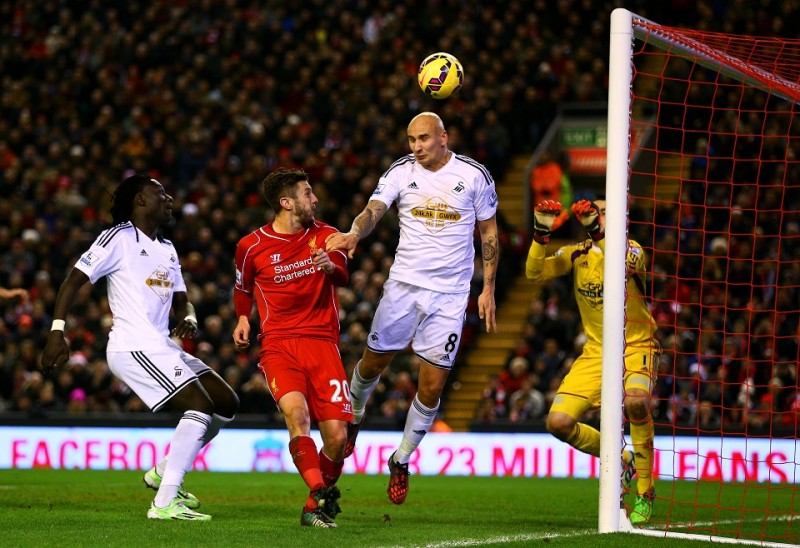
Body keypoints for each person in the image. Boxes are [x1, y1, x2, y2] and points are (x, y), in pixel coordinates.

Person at [41, 173, 239, 521]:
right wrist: (57, 331)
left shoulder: (167, 247)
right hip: (133, 345)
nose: (169, 199)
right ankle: (164, 502)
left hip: (161, 344)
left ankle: (164, 470)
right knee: (198, 405)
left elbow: (183, 302)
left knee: (226, 403)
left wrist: (189, 318)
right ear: (140, 200)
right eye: (160, 193)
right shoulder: (118, 238)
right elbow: (74, 280)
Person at [325, 111, 499, 505]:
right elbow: (373, 210)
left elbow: (489, 232)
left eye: (423, 139)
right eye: (410, 140)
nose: (416, 147)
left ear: (443, 137)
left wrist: (487, 288)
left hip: (451, 295)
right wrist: (355, 231)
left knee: (433, 385)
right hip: (404, 287)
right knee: (371, 364)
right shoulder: (401, 171)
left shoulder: (474, 175)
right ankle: (354, 417)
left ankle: (401, 460)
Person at [526, 197, 658, 525]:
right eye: (593, 210)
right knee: (557, 423)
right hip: (597, 353)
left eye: (601, 211)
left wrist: (598, 231)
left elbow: (620, 263)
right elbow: (534, 272)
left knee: (637, 403)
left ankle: (645, 490)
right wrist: (541, 230)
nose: (594, 214)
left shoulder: (633, 250)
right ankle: (623, 457)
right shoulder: (577, 253)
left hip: (635, 345)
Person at [232, 167, 351, 528]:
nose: (314, 199)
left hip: (323, 344)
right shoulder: (250, 246)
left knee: (337, 438)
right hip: (279, 345)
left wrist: (330, 266)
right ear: (287, 202)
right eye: (307, 193)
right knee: (297, 417)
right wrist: (242, 318)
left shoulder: (328, 235)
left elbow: (343, 275)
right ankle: (319, 493)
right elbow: (243, 287)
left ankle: (313, 505)